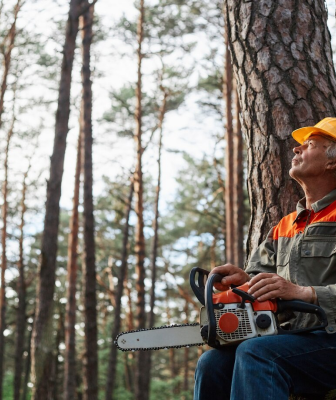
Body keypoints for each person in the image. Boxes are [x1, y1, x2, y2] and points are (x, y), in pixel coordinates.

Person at [194, 117, 336, 400]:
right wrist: (242, 282)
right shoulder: (285, 227)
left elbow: (297, 292)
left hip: (330, 339)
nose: (296, 150)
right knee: (212, 363)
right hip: (292, 340)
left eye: (309, 145)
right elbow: (256, 279)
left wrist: (304, 293)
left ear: (333, 161)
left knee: (258, 353)